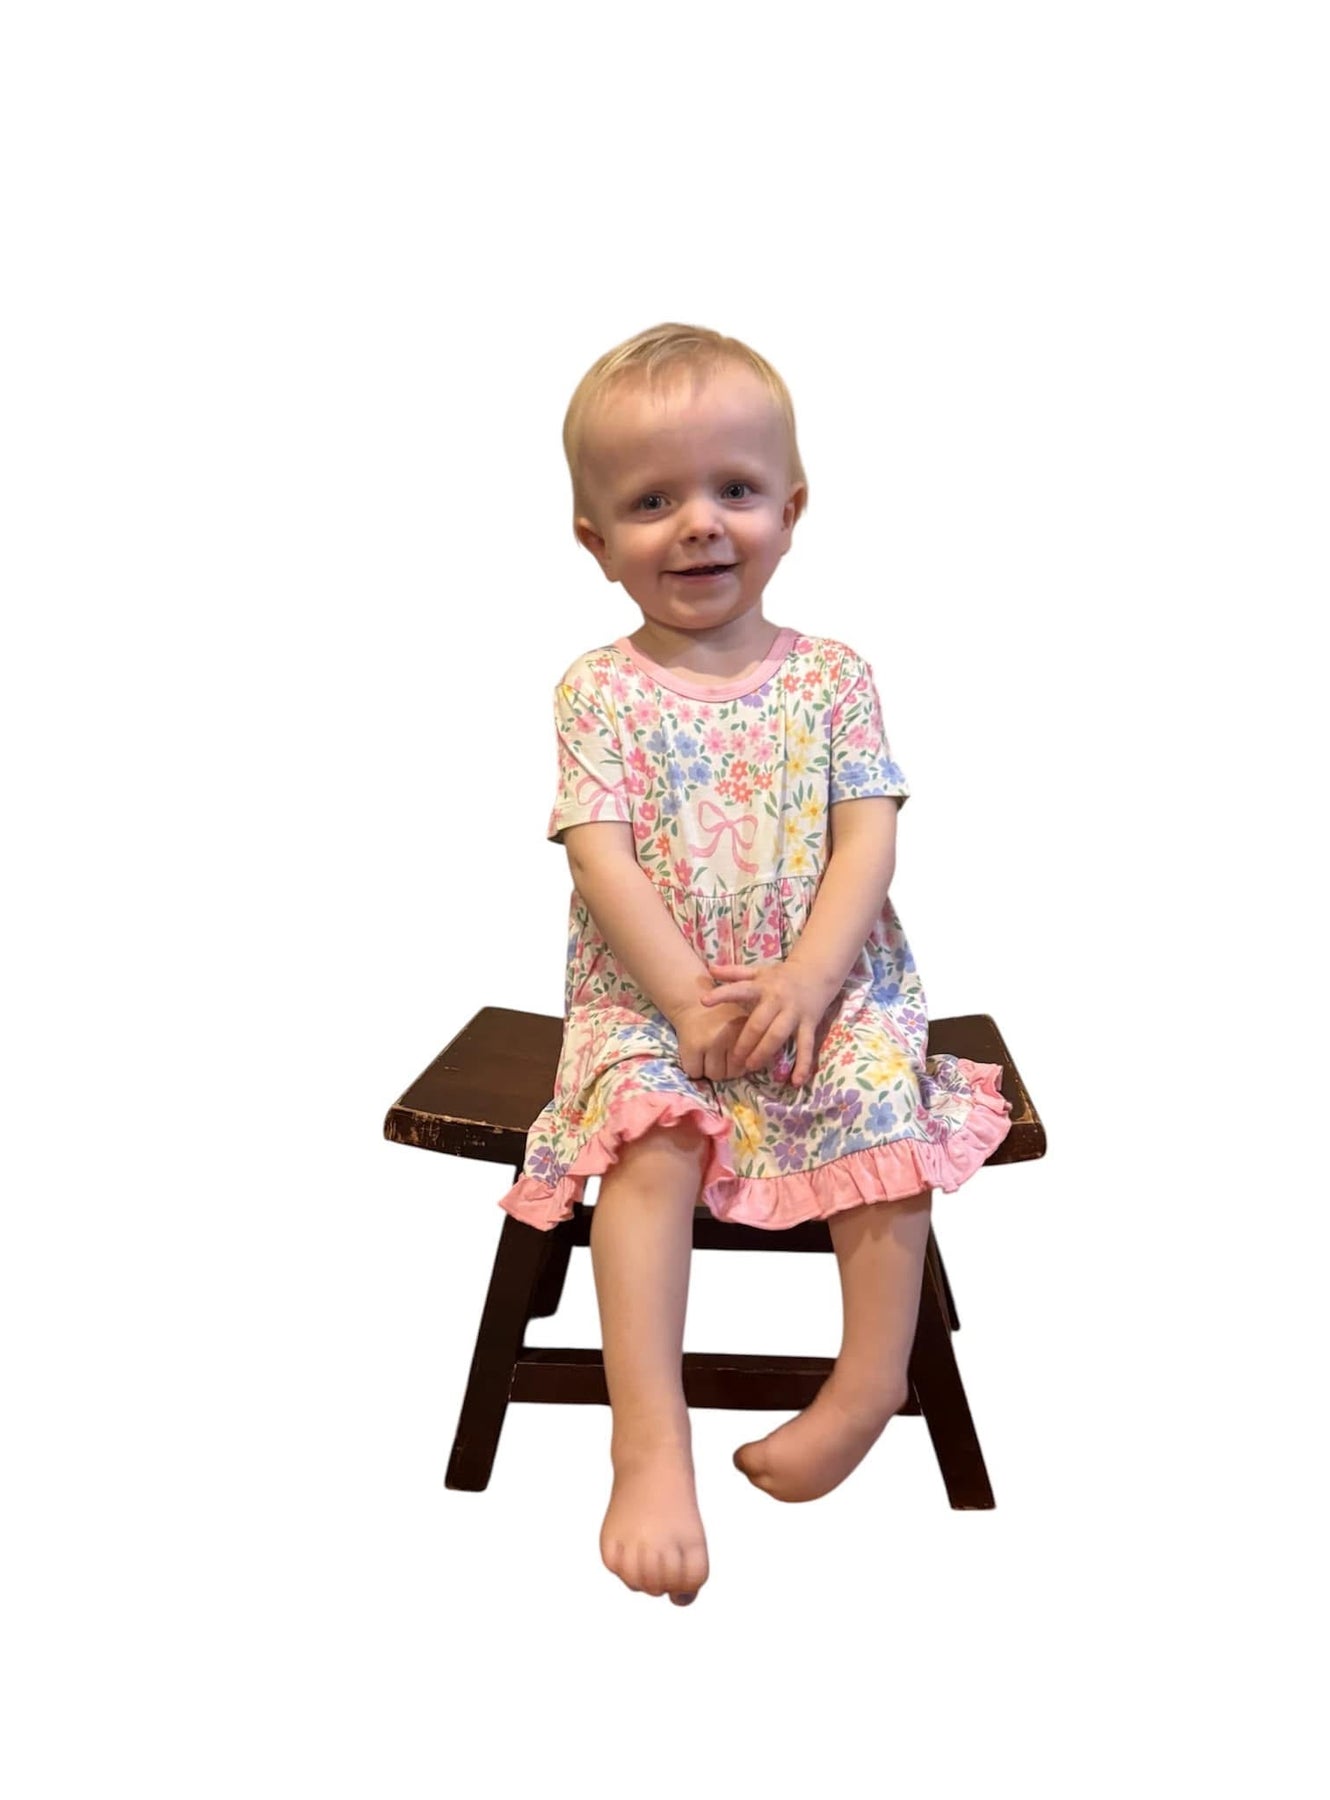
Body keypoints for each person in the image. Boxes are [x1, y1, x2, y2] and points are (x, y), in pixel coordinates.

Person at [498, 323, 1012, 1608]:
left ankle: (867, 1384)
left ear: (791, 508)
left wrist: (809, 980)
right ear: (593, 540)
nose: (699, 525)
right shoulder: (598, 691)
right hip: (648, 990)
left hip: (823, 978)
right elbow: (599, 854)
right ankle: (647, 1433)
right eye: (652, 502)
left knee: (880, 1099)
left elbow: (867, 837)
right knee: (648, 1133)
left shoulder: (832, 678)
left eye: (734, 489)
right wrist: (682, 995)